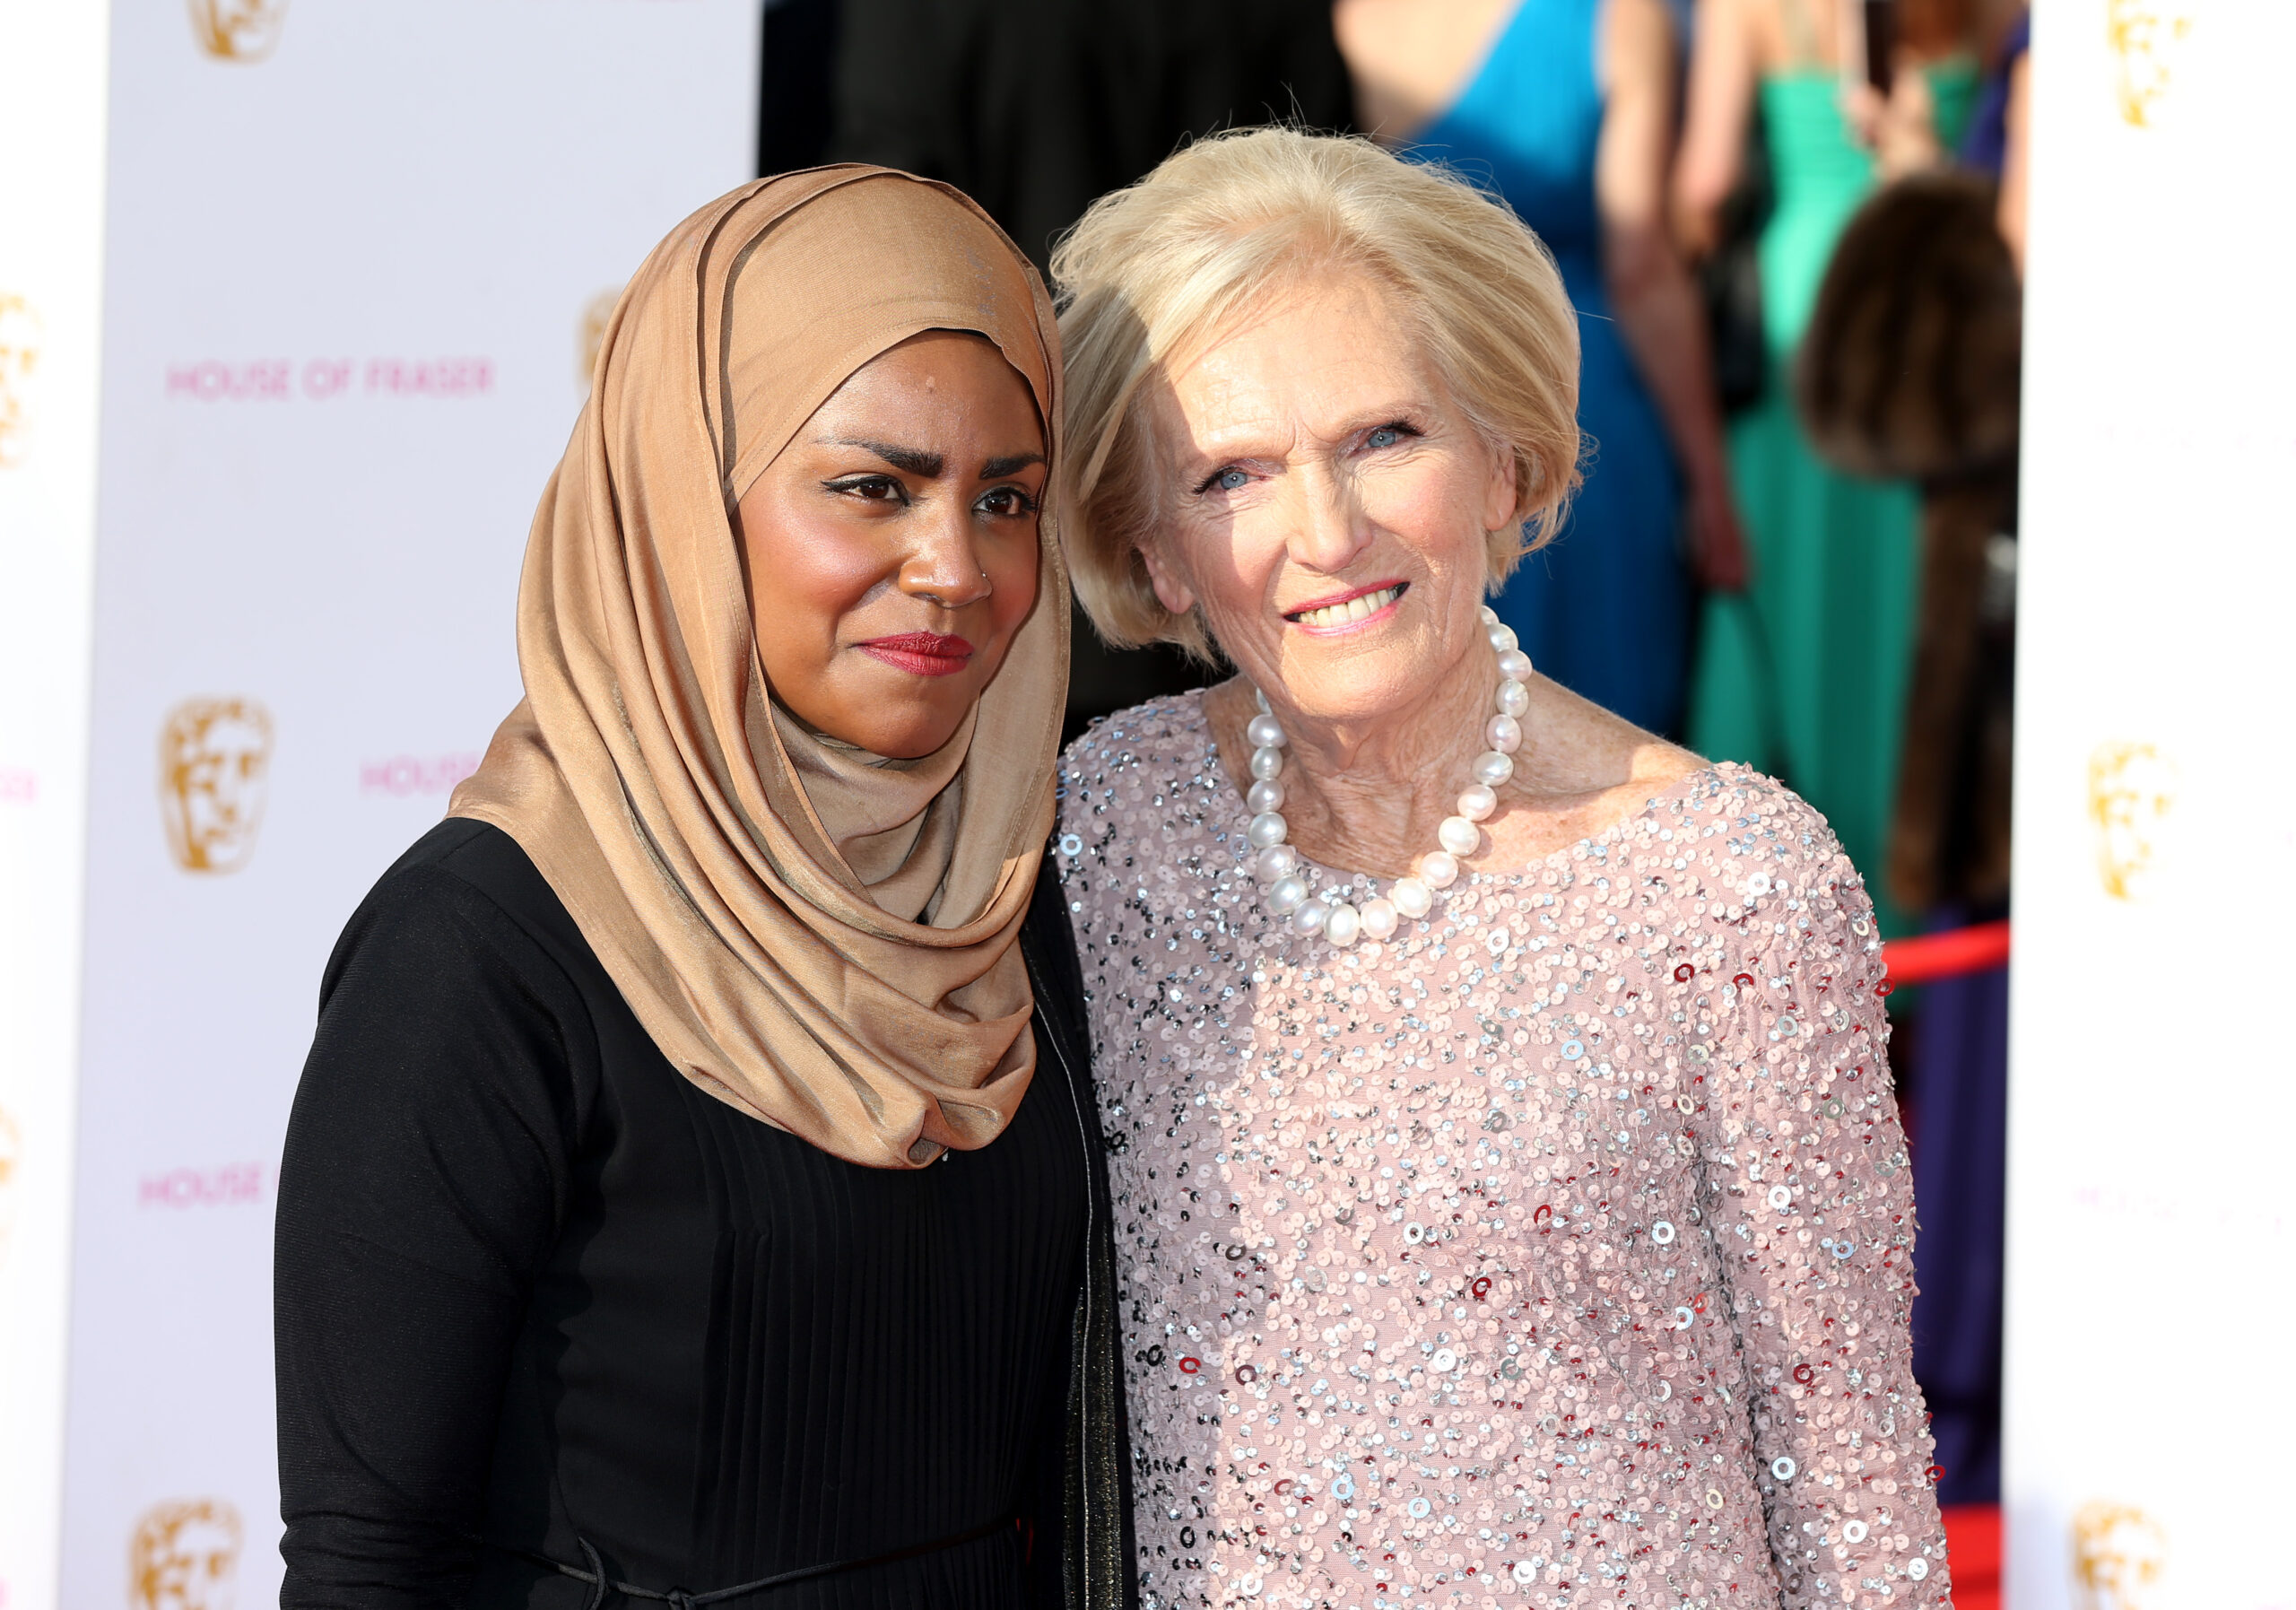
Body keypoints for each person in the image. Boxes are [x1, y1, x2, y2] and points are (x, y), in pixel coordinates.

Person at [1046, 127, 1951, 1606]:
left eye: (1383, 438)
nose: (1323, 533)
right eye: (1232, 475)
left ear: (1504, 458)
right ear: (1154, 556)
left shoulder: (1730, 886)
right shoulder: (1103, 834)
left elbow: (1845, 1472)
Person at [274, 169, 1134, 1610]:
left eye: (1007, 499)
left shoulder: (1007, 900)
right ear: (687, 497)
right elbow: (368, 1561)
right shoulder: (482, 952)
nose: (957, 566)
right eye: (874, 486)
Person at [1336, 0, 1745, 738]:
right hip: (1578, 415)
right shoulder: (1618, 18)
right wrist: (1713, 483)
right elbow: (1643, 267)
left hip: (1405, 416)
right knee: (1609, 727)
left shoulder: (1353, 22)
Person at [1673, 0, 1984, 936]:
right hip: (1935, 329)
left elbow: (1704, 181)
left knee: (1782, 610)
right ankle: (1913, 922)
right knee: (1910, 625)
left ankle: (1759, 932)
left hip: (1803, 327)